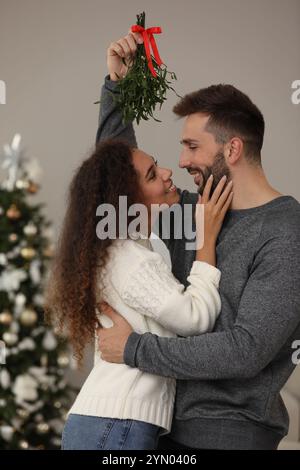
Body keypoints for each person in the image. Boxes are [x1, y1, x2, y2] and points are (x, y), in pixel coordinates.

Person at [96, 30, 300, 450]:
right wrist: (117, 88)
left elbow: (245, 351)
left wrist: (135, 349)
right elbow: (119, 184)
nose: (182, 160)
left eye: (192, 146)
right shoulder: (190, 213)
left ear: (233, 150)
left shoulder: (286, 231)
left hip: (229, 431)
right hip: (162, 425)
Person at [45, 102, 233, 448]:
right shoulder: (131, 259)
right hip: (117, 426)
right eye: (151, 175)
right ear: (127, 200)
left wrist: (118, 87)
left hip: (111, 424)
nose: (166, 173)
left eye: (157, 165)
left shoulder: (131, 249)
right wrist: (206, 239)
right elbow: (195, 319)